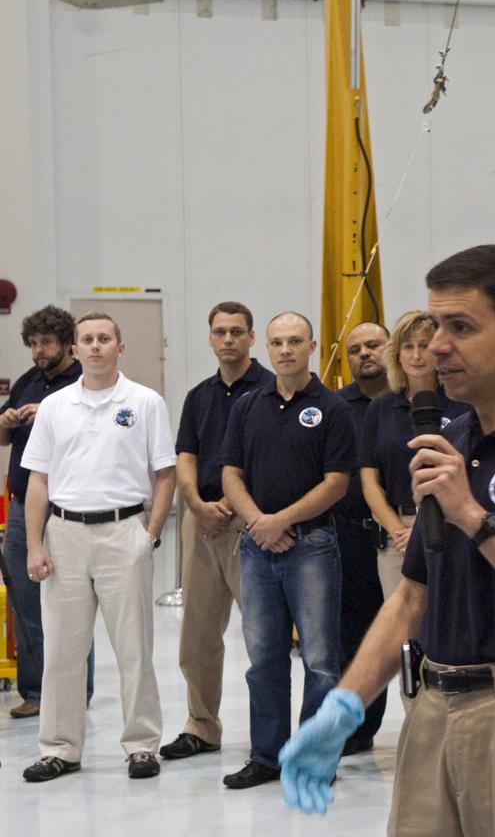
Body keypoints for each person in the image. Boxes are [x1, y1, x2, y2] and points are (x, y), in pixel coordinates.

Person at [276, 245, 495, 837]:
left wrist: (476, 517)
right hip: (434, 712)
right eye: (436, 324)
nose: (436, 345)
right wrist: (343, 705)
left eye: (460, 327)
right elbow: (412, 598)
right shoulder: (454, 439)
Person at [20, 311, 176, 782]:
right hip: (63, 534)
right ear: (74, 349)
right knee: (63, 651)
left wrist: (148, 535)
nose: (95, 346)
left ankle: (141, 745)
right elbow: (38, 481)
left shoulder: (145, 402)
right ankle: (60, 748)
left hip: (123, 531)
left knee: (134, 648)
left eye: (104, 338)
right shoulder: (55, 406)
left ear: (120, 348)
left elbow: (165, 474)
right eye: (86, 339)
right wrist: (34, 544)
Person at [220, 311, 355, 790]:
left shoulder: (332, 408)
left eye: (295, 341)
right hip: (257, 549)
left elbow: (337, 483)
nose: (285, 350)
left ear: (312, 347)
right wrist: (260, 522)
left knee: (320, 661)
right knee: (264, 660)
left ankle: (314, 759)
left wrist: (283, 520)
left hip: (312, 547)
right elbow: (230, 474)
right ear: (267, 347)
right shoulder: (248, 404)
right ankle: (267, 757)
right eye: (277, 342)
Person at [160, 302, 273, 762]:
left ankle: (271, 734)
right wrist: (196, 504)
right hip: (202, 522)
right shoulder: (198, 396)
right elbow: (185, 455)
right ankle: (201, 726)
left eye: (237, 332)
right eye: (220, 332)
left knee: (264, 637)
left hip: (253, 523)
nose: (228, 339)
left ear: (251, 338)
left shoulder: (270, 390)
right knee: (198, 634)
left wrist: (239, 506)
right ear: (210, 338)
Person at [0, 305, 86, 720]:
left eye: (46, 342)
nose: (39, 351)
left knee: (72, 600)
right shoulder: (26, 383)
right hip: (21, 506)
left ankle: (76, 691)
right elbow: (3, 437)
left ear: (67, 343)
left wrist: (47, 414)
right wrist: (9, 418)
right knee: (26, 601)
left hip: (68, 506)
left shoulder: (83, 383)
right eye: (33, 343)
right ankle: (34, 690)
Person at [359, 311, 468, 601]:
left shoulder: (461, 404)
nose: (417, 355)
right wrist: (399, 531)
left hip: (451, 527)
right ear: (397, 354)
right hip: (398, 536)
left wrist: (426, 529)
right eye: (408, 346)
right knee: (403, 631)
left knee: (448, 622)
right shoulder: (380, 408)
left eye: (424, 345)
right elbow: (369, 482)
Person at [333, 322, 392, 756]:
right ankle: (358, 730)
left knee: (410, 635)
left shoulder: (411, 403)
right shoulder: (336, 408)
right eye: (355, 349)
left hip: (404, 540)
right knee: (352, 639)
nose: (365, 354)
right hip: (349, 538)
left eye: (373, 345)